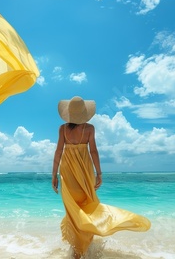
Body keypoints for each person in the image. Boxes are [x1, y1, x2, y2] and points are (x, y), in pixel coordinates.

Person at [52, 96, 151, 258]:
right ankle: (86, 246)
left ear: (69, 113)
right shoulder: (89, 129)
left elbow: (58, 152)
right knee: (88, 205)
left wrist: (54, 174)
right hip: (85, 171)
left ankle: (76, 249)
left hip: (67, 171)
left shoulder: (62, 129)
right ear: (84, 113)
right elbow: (94, 152)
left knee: (73, 209)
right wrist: (99, 173)